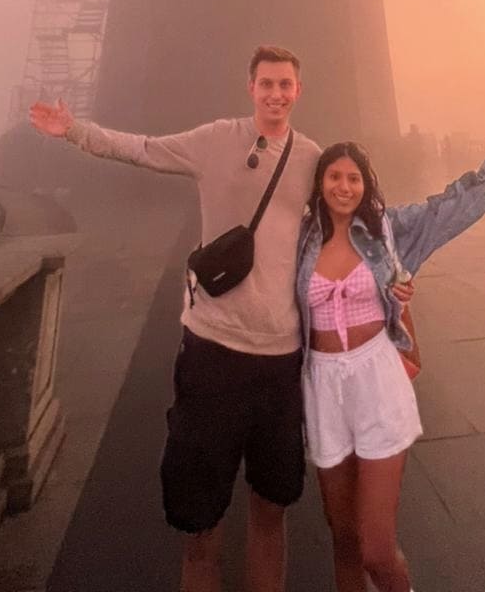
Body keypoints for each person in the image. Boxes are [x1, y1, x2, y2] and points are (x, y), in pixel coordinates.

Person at [29, 45, 324, 592]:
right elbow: (142, 149)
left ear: (299, 91)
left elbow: (354, 222)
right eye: (267, 84)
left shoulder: (311, 158)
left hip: (280, 357)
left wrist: (393, 283)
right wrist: (74, 130)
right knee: (199, 521)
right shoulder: (216, 140)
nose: (276, 94)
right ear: (250, 88)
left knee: (272, 508)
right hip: (212, 348)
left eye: (286, 84)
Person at [296, 138, 485, 592]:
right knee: (344, 537)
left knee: (377, 548)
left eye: (353, 178)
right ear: (319, 184)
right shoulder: (299, 241)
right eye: (334, 176)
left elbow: (442, 214)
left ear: (365, 185)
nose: (344, 186)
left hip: (376, 380)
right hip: (323, 387)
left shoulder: (385, 230)